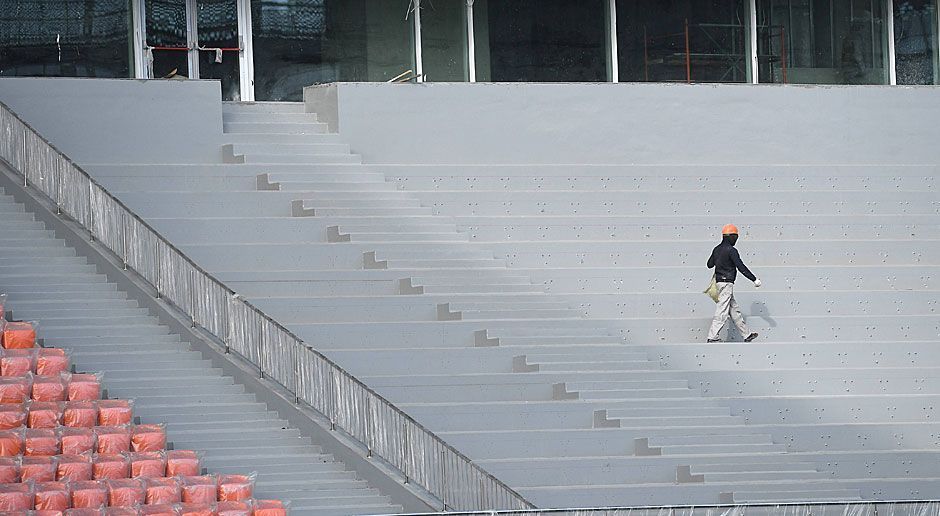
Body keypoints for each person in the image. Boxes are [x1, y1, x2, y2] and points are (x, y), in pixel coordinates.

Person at [706, 224, 761, 343]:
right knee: (722, 311)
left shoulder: (717, 249)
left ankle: (747, 335)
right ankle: (712, 336)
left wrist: (719, 260)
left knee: (734, 310)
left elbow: (709, 264)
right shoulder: (731, 250)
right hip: (726, 284)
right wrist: (754, 279)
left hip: (719, 283)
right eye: (735, 237)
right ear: (732, 237)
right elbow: (741, 266)